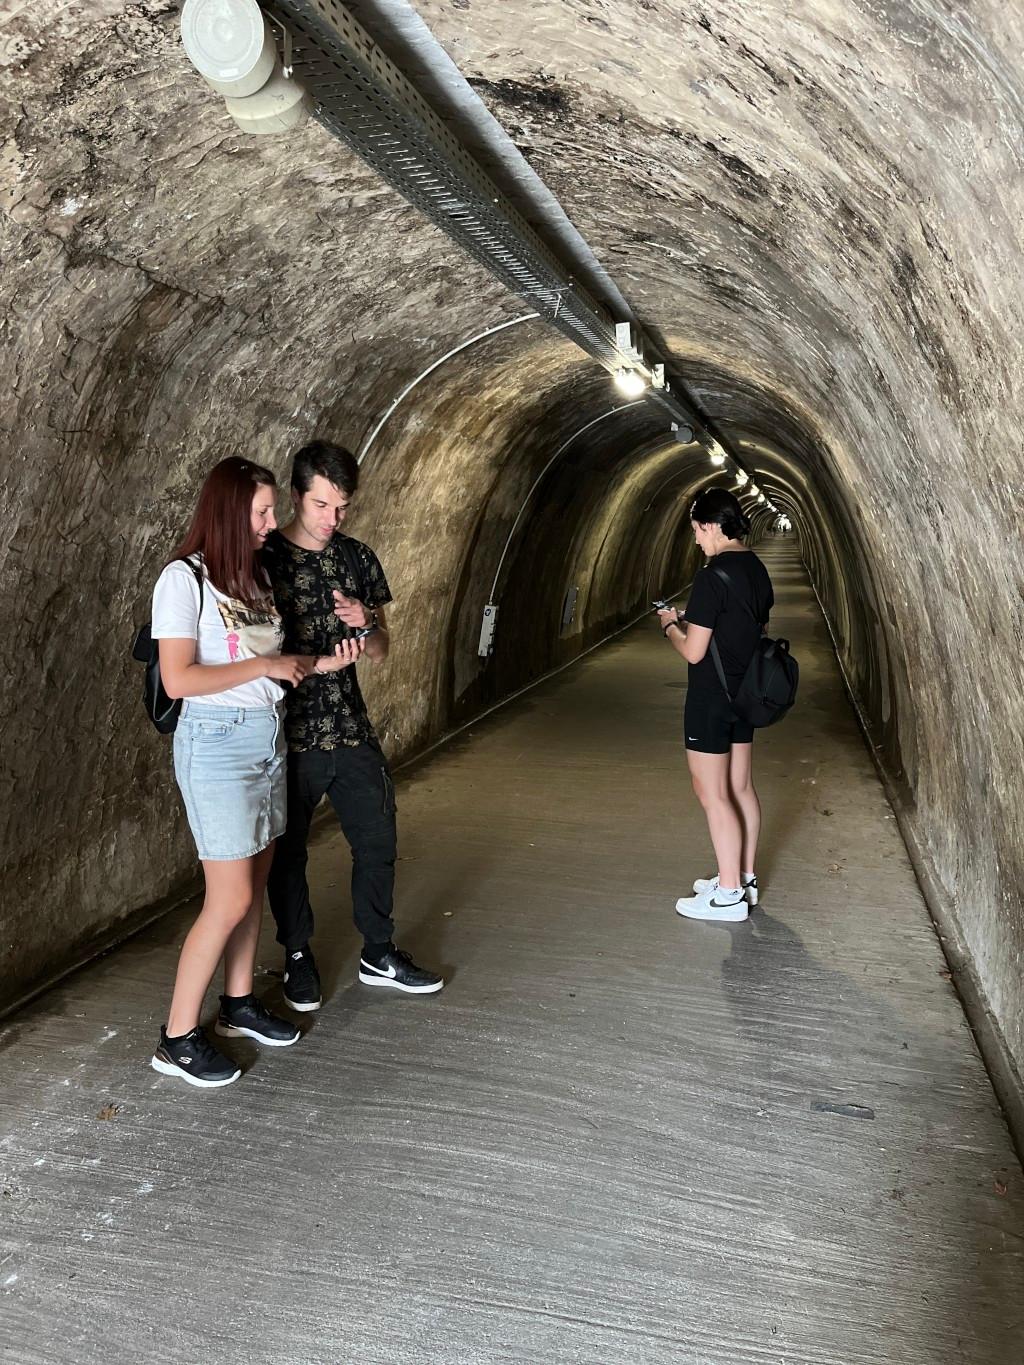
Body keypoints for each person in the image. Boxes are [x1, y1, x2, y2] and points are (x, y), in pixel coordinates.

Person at [150, 456, 359, 1088]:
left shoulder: (252, 578)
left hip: (266, 739)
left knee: (259, 876)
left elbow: (271, 662)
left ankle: (238, 1003)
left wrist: (316, 665)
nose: (273, 522)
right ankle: (178, 1036)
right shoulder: (182, 581)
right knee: (230, 895)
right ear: (228, 512)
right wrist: (264, 670)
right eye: (263, 511)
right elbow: (178, 678)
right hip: (215, 747)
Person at [262, 440, 443, 1008]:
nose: (332, 519)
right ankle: (296, 955)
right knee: (288, 853)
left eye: (341, 507)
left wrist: (368, 624)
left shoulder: (357, 557)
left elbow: (383, 650)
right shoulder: (263, 560)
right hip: (289, 736)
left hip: (352, 728)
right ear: (296, 496)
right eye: (321, 506)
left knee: (378, 840)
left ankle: (378, 951)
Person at [657, 486, 774, 924]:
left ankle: (727, 896)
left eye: (696, 530)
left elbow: (693, 652)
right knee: (741, 787)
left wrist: (671, 625)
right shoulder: (756, 568)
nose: (696, 540)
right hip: (745, 695)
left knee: (712, 793)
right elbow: (748, 626)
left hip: (710, 698)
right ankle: (744, 878)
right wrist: (700, 617)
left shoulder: (710, 576)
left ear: (711, 525)